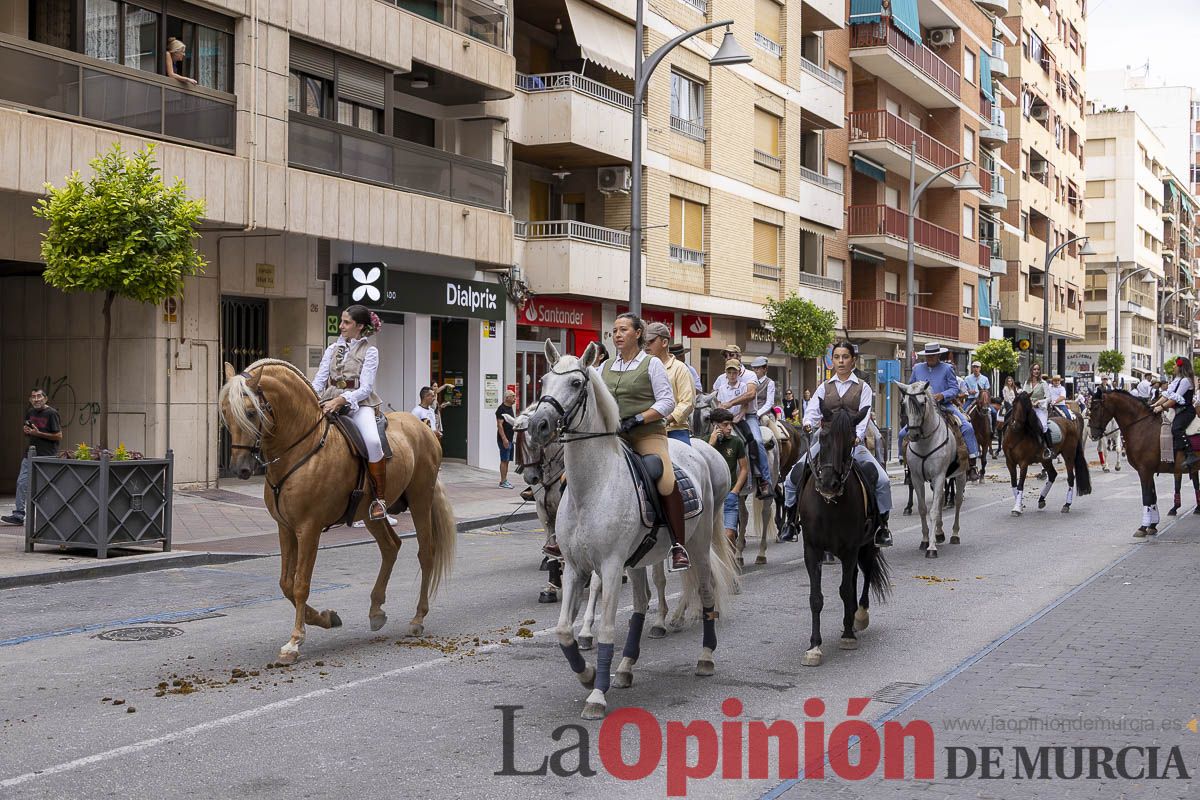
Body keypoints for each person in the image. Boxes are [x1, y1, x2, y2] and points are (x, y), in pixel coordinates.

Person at [599, 313, 688, 571]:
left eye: (623, 329)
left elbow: (667, 402)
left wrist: (639, 418)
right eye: (614, 330)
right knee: (570, 474)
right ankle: (563, 538)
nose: (617, 334)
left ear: (638, 333)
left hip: (646, 434)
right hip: (612, 435)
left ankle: (678, 545)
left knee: (666, 480)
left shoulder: (651, 364)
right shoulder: (603, 367)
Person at [783, 341, 893, 547]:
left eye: (845, 357)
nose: (841, 361)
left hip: (853, 443)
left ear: (853, 360)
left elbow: (865, 415)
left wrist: (858, 436)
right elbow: (812, 412)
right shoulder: (824, 387)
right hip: (826, 443)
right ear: (832, 360)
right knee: (791, 477)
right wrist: (807, 423)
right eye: (837, 357)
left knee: (883, 481)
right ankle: (790, 523)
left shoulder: (863, 387)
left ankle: (882, 527)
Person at [312, 306, 390, 521]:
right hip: (329, 398)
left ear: (359, 326)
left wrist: (342, 399)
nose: (341, 326)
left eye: (346, 322)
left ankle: (379, 499)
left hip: (358, 402)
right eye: (342, 321)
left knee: (373, 441)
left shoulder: (370, 351)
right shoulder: (331, 349)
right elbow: (319, 380)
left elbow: (365, 387)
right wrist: (309, 396)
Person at [900, 342, 981, 481]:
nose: (930, 358)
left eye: (932, 355)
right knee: (903, 433)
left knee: (967, 427)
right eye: (928, 355)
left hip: (944, 406)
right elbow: (911, 387)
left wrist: (942, 395)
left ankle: (972, 463)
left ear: (938, 355)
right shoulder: (917, 368)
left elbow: (954, 389)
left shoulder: (947, 368)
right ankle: (906, 464)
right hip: (923, 408)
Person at [1, 389, 63, 526]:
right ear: (30, 400)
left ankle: (50, 517)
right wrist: (28, 432)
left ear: (45, 398)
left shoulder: (52, 413)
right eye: (33, 397)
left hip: (47, 455)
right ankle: (18, 515)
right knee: (22, 483)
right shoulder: (30, 412)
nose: (36, 399)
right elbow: (31, 433)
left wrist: (38, 433)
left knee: (46, 487)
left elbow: (58, 436)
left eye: (39, 396)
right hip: (30, 454)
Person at [714, 359, 772, 498]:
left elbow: (746, 404)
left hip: (741, 418)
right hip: (725, 420)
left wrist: (739, 416)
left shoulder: (744, 386)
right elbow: (719, 404)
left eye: (735, 372)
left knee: (754, 439)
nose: (732, 375)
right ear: (726, 373)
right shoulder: (721, 388)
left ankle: (761, 474)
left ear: (739, 372)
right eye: (730, 372)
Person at [645, 322, 695, 445]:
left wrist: (667, 419)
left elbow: (687, 403)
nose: (646, 346)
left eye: (650, 342)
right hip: (645, 430)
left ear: (664, 342)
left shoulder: (680, 368)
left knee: (683, 462)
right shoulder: (642, 368)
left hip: (674, 430)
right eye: (644, 342)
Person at [707, 408, 749, 547]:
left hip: (730, 495)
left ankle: (763, 480)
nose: (729, 428)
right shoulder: (702, 442)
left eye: (730, 424)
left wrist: (735, 491)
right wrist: (711, 444)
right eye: (725, 424)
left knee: (729, 534)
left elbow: (743, 468)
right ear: (715, 425)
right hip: (710, 497)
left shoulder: (736, 442)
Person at [1151, 357, 1198, 466]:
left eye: (1175, 365)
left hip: (1187, 411)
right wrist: (1154, 405)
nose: (1173, 367)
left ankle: (1190, 454)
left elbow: (1174, 399)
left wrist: (1160, 407)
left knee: (1176, 428)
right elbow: (1167, 394)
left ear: (1180, 367)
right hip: (1179, 410)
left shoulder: (1186, 380)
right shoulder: (1177, 380)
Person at [1020, 362, 1054, 458]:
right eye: (1034, 369)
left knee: (1043, 426)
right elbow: (1023, 395)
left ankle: (1048, 448)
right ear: (1031, 371)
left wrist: (1039, 402)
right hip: (1028, 409)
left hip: (1039, 409)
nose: (1036, 371)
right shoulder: (1026, 383)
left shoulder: (1043, 383)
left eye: (1038, 369)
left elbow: (1049, 398)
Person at [496, 389, 517, 488]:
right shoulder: (501, 409)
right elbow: (499, 425)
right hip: (504, 439)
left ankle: (504, 480)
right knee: (504, 460)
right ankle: (503, 481)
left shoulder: (510, 408)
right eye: (513, 396)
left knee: (507, 460)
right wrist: (504, 439)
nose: (514, 398)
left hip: (510, 438)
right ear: (507, 397)